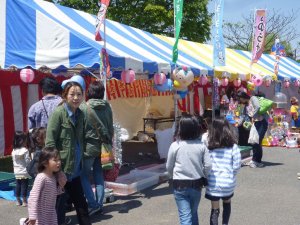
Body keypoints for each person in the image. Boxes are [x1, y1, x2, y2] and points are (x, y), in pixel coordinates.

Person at [45, 81, 91, 225]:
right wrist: (58, 172)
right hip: (62, 171)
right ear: (65, 96)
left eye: (79, 94)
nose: (76, 97)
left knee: (82, 206)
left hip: (75, 170)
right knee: (58, 210)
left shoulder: (81, 114)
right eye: (72, 94)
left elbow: (81, 140)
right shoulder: (59, 113)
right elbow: (50, 143)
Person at [166, 115, 212, 225]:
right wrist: (204, 175)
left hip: (179, 183)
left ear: (180, 129)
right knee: (193, 212)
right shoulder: (201, 146)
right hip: (197, 183)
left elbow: (169, 166)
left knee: (185, 216)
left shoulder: (175, 146)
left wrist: (171, 176)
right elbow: (208, 166)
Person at [80, 80, 114, 216]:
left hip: (89, 147)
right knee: (99, 175)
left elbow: (80, 130)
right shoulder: (108, 107)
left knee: (83, 176)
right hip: (104, 147)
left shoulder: (84, 107)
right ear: (102, 93)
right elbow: (111, 128)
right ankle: (99, 204)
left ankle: (93, 204)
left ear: (89, 92)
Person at [206, 118, 241, 225]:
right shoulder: (233, 147)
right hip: (228, 183)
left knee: (214, 209)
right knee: (227, 203)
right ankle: (225, 223)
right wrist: (231, 175)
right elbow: (236, 166)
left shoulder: (209, 147)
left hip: (213, 183)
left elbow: (206, 165)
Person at [27, 147, 67, 225]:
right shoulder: (41, 177)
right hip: (40, 216)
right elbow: (33, 197)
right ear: (45, 163)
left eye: (59, 160)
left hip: (51, 214)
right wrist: (32, 217)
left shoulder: (53, 177)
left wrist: (61, 186)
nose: (58, 162)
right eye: (55, 160)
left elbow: (53, 193)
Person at [237, 91, 268, 168]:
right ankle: (256, 161)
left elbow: (257, 107)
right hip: (255, 124)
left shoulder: (253, 98)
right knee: (254, 141)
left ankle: (256, 161)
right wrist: (238, 124)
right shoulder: (245, 106)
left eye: (240, 99)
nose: (240, 101)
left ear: (243, 97)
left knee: (258, 141)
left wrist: (253, 116)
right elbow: (243, 116)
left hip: (261, 122)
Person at [11, 131, 31, 207]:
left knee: (18, 185)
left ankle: (18, 200)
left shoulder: (13, 150)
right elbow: (27, 161)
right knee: (24, 186)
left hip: (16, 171)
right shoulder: (25, 150)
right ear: (21, 140)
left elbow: (13, 161)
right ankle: (25, 201)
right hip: (24, 171)